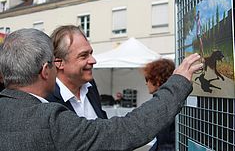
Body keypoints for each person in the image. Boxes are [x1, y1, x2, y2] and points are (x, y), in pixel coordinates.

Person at [0, 28, 203, 151]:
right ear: (48, 69)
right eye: (83, 55)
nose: (93, 60)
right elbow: (123, 131)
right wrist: (178, 82)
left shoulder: (90, 88)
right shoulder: (51, 120)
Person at [46, 25, 107, 119]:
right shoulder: (47, 100)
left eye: (90, 53)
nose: (93, 60)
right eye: (83, 55)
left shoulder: (90, 86)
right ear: (59, 63)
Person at [143, 58, 176, 151]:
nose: (146, 83)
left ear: (157, 79)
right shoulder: (170, 98)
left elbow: (167, 142)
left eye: (147, 79)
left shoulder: (164, 103)